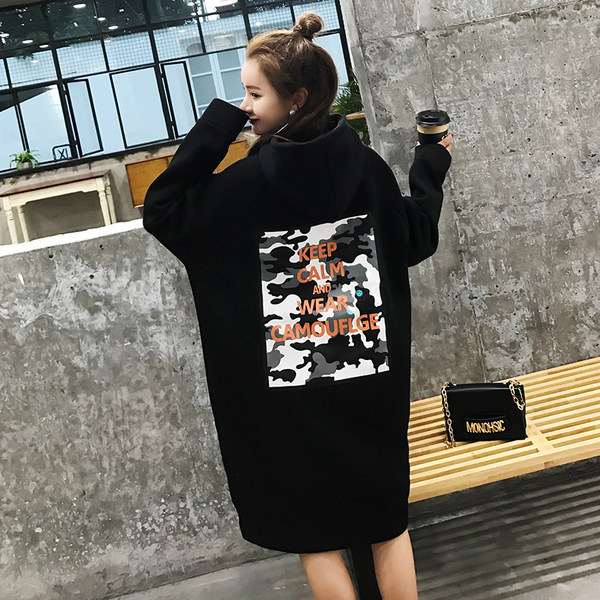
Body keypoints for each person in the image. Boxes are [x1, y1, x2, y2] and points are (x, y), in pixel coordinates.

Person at [143, 12, 452, 600]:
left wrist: (220, 126)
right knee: (387, 523)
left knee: (317, 536)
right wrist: (431, 163)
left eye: (253, 94)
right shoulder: (365, 168)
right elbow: (414, 237)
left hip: (291, 398)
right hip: (369, 378)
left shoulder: (244, 187)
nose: (245, 106)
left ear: (296, 98)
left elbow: (163, 210)